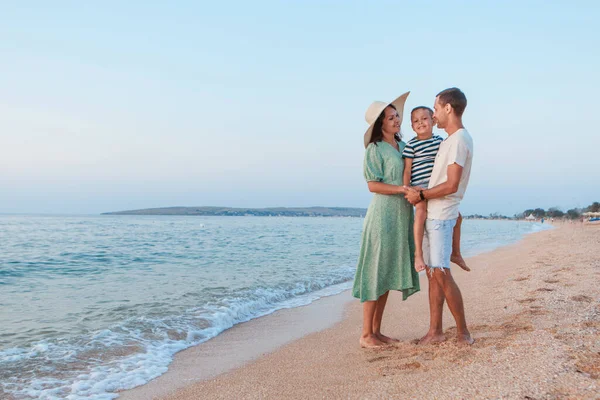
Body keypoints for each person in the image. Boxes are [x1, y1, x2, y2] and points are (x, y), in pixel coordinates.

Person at [405, 87, 474, 345]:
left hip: (441, 215)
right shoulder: (450, 140)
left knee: (442, 273)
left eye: (435, 109)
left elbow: (452, 185)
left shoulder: (458, 140)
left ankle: (463, 333)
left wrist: (421, 196)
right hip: (436, 214)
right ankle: (435, 331)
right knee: (434, 274)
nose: (433, 115)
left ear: (448, 108)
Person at [353, 91, 420, 348]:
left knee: (387, 274)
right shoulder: (375, 149)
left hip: (402, 215)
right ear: (380, 123)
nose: (397, 120)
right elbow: (373, 185)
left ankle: (377, 331)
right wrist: (403, 190)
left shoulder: (403, 147)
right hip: (382, 215)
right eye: (391, 117)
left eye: (397, 116)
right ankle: (365, 334)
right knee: (375, 273)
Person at [402, 106, 470, 273]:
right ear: (411, 126)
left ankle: (456, 252)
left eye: (424, 119)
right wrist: (407, 189)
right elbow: (407, 170)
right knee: (420, 214)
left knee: (458, 216)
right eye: (416, 121)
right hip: (419, 188)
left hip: (435, 187)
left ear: (433, 120)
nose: (420, 123)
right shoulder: (411, 145)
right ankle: (418, 254)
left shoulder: (441, 141)